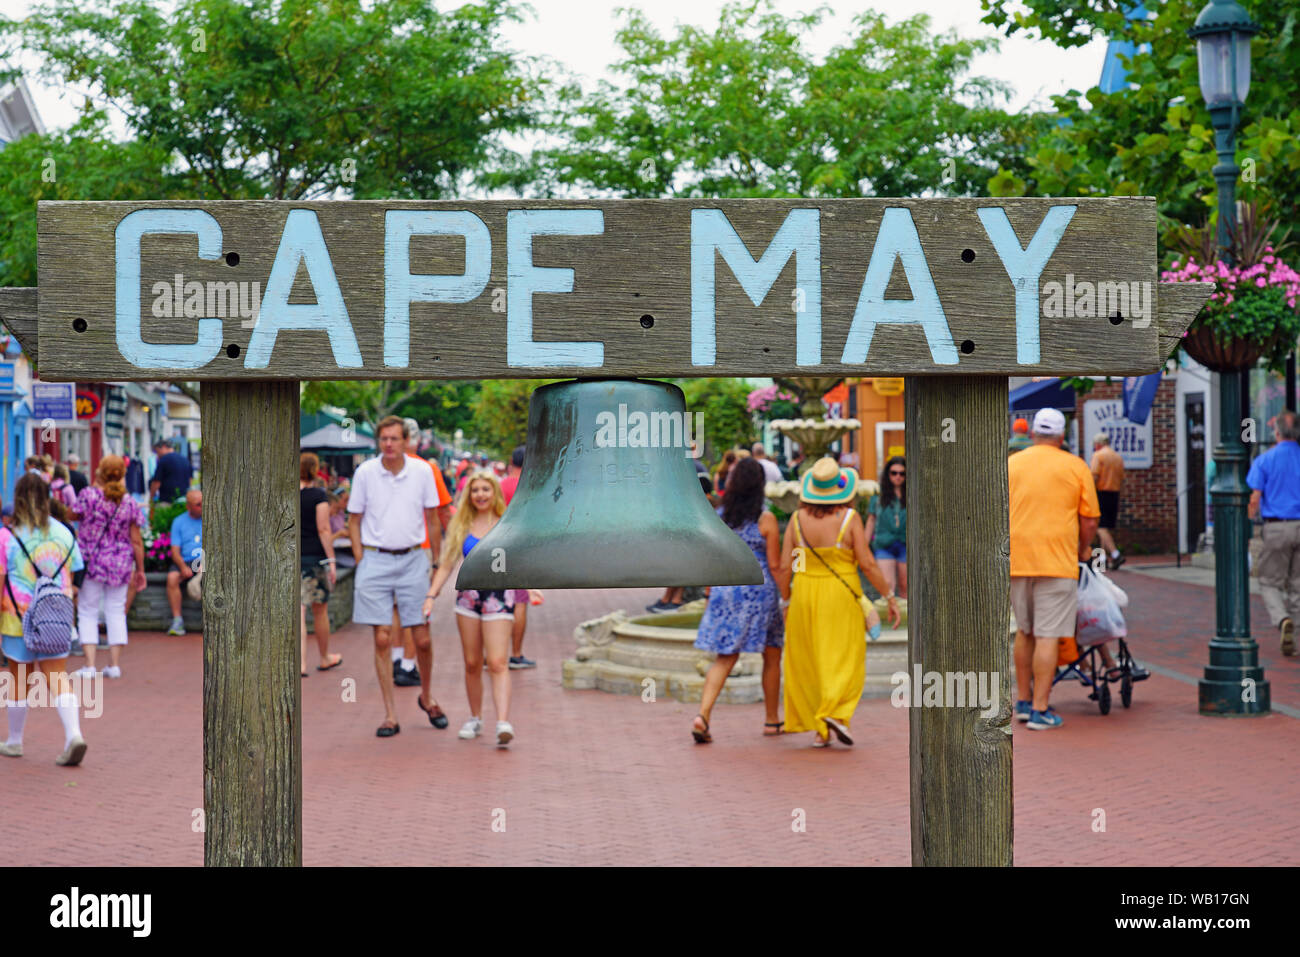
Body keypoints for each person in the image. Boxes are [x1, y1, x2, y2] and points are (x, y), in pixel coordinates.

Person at [776, 457, 900, 748]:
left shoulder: (796, 520)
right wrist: (888, 595)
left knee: (811, 659)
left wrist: (786, 601)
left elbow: (786, 566)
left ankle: (821, 729)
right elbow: (867, 563)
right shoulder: (849, 519)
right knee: (844, 656)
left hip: (805, 592)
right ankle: (835, 711)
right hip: (840, 594)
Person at [348, 416, 446, 738]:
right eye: (383, 439)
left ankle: (427, 696)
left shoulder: (422, 472)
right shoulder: (365, 473)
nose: (388, 444)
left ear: (406, 441)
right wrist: (362, 560)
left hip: (414, 557)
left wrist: (435, 560)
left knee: (422, 638)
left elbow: (433, 518)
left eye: (394, 438)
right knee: (382, 638)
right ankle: (390, 714)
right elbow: (354, 519)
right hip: (376, 558)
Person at [1008, 408, 1100, 731]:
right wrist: (1080, 547)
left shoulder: (1011, 463)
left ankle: (1021, 700)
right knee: (1048, 635)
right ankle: (1040, 709)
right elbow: (1089, 519)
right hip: (1057, 561)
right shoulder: (1076, 466)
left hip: (1017, 559)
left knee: (1025, 630)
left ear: (1032, 433)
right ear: (1062, 437)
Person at [426, 471, 525, 748]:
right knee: (471, 663)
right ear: (469, 495)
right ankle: (475, 717)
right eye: (475, 490)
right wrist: (431, 595)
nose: (480, 494)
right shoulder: (462, 524)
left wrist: (532, 585)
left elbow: (519, 558)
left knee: (497, 662)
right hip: (468, 598)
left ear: (495, 493)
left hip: (499, 597)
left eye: (486, 489)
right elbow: (447, 563)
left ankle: (503, 722)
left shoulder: (508, 523)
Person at [690, 458, 784, 743]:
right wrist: (788, 596)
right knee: (772, 653)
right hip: (758, 591)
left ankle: (703, 715)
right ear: (760, 485)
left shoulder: (719, 516)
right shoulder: (765, 518)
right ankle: (771, 720)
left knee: (725, 656)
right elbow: (775, 564)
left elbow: (712, 559)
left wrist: (709, 594)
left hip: (725, 587)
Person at [0, 474, 88, 765]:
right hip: (56, 616)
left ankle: (14, 741)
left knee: (19, 678)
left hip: (18, 615)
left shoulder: (9, 535)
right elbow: (74, 573)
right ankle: (73, 734)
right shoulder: (64, 532)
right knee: (57, 675)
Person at [70, 455, 146, 679]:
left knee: (87, 610)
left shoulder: (89, 496)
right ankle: (113, 665)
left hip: (91, 561)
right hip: (120, 562)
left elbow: (71, 514)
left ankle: (90, 665)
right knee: (116, 610)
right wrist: (140, 569)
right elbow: (136, 540)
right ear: (122, 474)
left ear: (99, 473)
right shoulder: (129, 502)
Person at [390, 418, 452, 689]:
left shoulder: (382, 469)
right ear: (416, 440)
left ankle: (395, 658)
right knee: (415, 609)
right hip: (420, 547)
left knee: (394, 608)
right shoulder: (427, 469)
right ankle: (406, 664)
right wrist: (444, 555)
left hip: (388, 548)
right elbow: (442, 512)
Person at [1247, 410, 1300, 656]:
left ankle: (1282, 619)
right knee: (1298, 585)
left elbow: (1254, 498)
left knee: (1269, 582)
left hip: (1276, 526)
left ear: (1277, 432)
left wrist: (1248, 526)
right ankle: (1296, 639)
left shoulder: (1265, 460)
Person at [299, 452, 341, 676]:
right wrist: (331, 560)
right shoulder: (318, 495)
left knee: (298, 610)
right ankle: (324, 657)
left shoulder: (287, 494)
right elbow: (324, 528)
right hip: (314, 557)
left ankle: (300, 663)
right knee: (320, 610)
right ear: (315, 470)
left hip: (292, 556)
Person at [499, 444, 537, 669]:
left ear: (511, 462)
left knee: (496, 600)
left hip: (498, 548)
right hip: (520, 549)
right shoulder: (530, 487)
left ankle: (494, 651)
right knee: (520, 602)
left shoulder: (499, 485)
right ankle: (515, 653)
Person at [866, 455, 907, 599]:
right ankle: (890, 619)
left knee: (906, 586)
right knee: (887, 586)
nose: (898, 477)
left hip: (906, 544)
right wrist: (864, 546)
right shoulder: (878, 496)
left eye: (902, 473)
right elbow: (871, 520)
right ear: (888, 474)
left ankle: (907, 620)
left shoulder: (912, 494)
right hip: (884, 543)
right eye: (894, 473)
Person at [165, 490, 203, 637]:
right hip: (186, 560)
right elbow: (175, 551)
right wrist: (182, 567)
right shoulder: (179, 522)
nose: (202, 507)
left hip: (204, 559)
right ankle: (177, 620)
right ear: (188, 506)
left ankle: (208, 620)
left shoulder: (211, 518)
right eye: (198, 504)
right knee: (172, 578)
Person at [1090, 432, 1126, 570]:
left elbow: (1094, 475)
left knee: (1099, 527)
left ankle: (1115, 554)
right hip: (1114, 493)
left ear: (1098, 444)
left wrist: (1090, 493)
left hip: (1101, 493)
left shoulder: (1098, 456)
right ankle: (1101, 560)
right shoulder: (1118, 457)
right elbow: (1122, 478)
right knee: (1105, 527)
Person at [150, 439, 193, 505]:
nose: (157, 454)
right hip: (183, 500)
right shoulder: (185, 459)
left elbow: (156, 482)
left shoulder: (163, 460)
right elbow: (190, 480)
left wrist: (151, 497)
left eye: (157, 451)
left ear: (163, 447)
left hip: (167, 501)